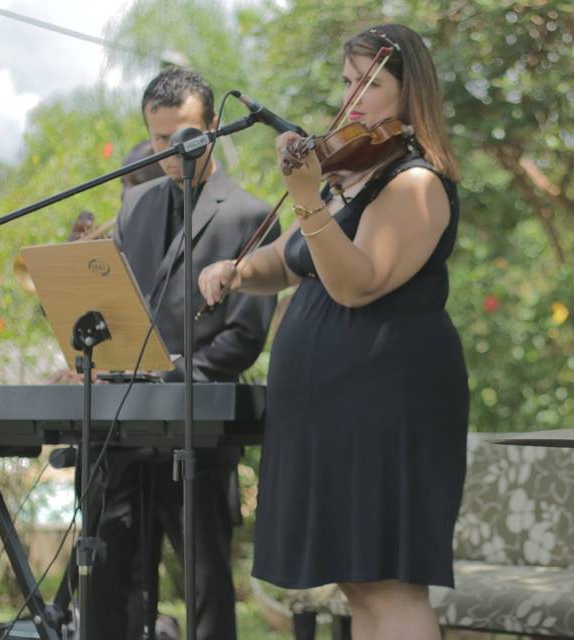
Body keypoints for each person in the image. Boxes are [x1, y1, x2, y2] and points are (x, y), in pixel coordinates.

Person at [198, 23, 468, 640]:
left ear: (409, 92)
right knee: (357, 581)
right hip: (332, 406)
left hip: (387, 399)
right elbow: (289, 262)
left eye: (369, 82)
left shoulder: (415, 183)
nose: (353, 97)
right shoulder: (350, 178)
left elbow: (355, 282)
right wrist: (237, 270)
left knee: (389, 581)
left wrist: (306, 200)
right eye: (348, 82)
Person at [83, 67, 278, 640]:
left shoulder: (251, 215)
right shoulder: (135, 204)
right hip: (122, 427)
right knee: (108, 570)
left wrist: (165, 380)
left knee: (205, 581)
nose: (170, 152)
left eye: (184, 136)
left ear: (214, 127)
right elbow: (117, 307)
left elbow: (242, 339)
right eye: (158, 139)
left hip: (198, 428)